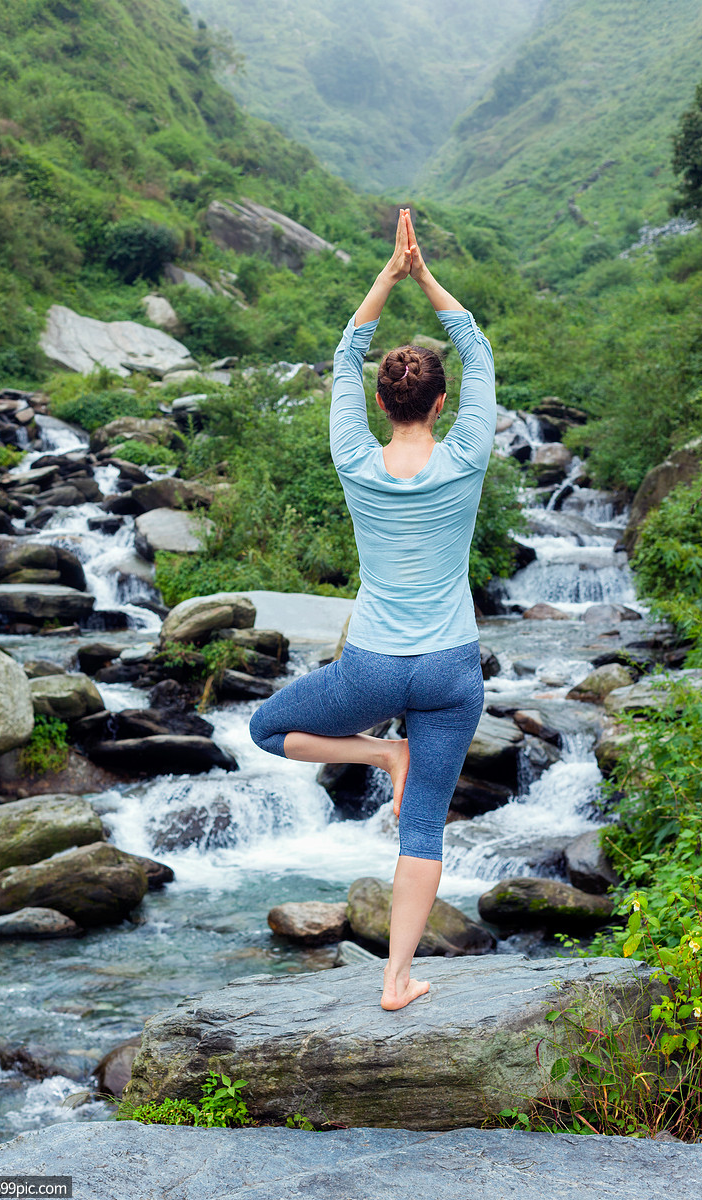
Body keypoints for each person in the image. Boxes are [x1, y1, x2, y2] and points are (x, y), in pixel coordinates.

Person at [250, 208, 496, 1009]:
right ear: (441, 402)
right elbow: (478, 349)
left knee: (263, 729)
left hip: (374, 668)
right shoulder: (465, 457)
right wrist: (424, 277)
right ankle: (397, 977)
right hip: (454, 667)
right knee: (423, 826)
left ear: (384, 404)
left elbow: (342, 357)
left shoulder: (356, 458)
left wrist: (386, 278)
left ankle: (380, 755)